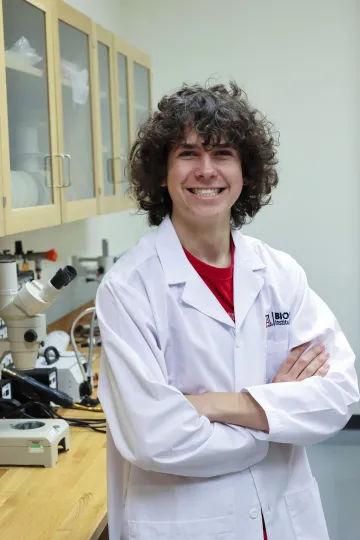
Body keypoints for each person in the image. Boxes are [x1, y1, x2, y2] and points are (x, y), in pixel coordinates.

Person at [95, 82, 359, 540]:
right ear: (161, 171)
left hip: (285, 517)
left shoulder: (279, 272)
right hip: (186, 523)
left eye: (222, 154)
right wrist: (273, 418)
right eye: (187, 154)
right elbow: (156, 437)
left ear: (244, 170)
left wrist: (215, 405)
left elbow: (339, 396)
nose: (205, 170)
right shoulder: (129, 288)